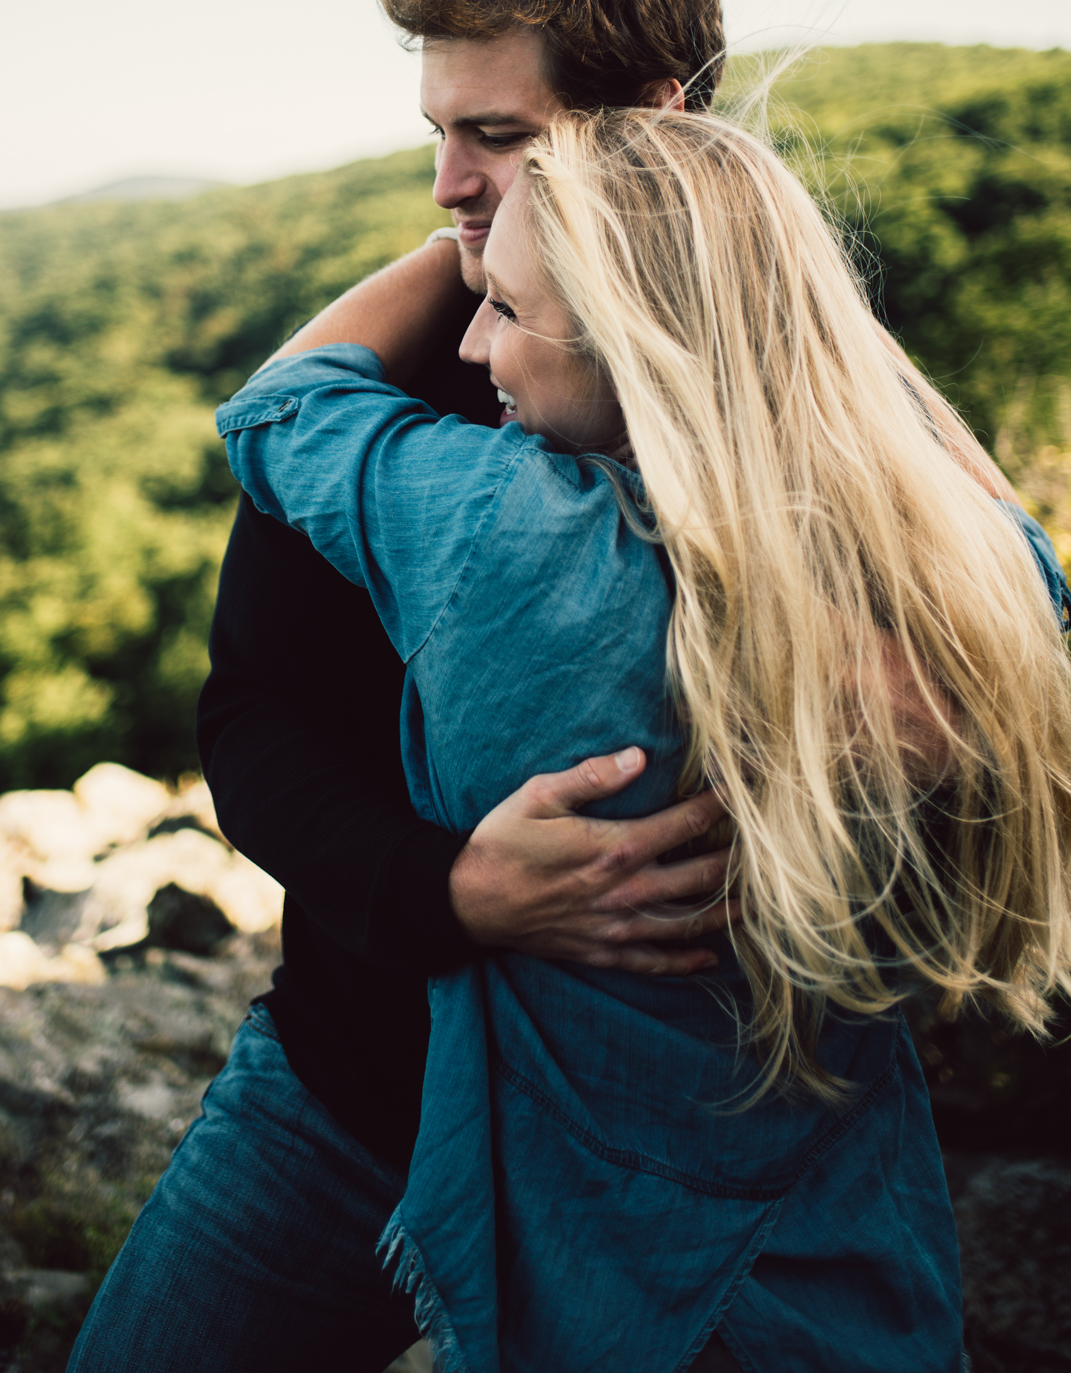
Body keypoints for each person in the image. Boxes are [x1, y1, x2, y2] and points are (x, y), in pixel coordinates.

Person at [214, 106, 1071, 1371]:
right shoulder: (966, 603)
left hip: (586, 1263)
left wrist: (454, 242)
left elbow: (278, 406)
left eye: (505, 307)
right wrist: (774, 292)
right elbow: (1028, 575)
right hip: (828, 1264)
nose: (469, 335)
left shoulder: (503, 530)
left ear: (629, 335)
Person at [70, 0, 752, 1373]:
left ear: (651, 116)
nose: (448, 183)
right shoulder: (414, 372)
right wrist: (445, 887)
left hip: (686, 1156)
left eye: (495, 137)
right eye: (436, 133)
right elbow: (250, 714)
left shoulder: (795, 390)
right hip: (350, 1095)